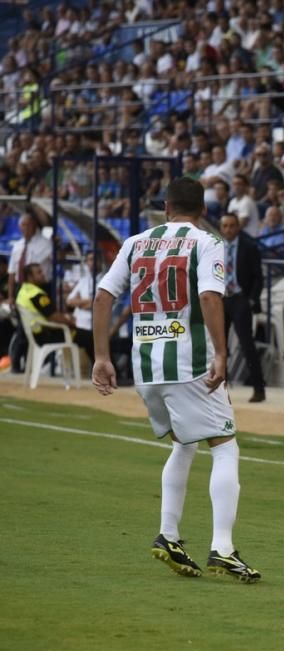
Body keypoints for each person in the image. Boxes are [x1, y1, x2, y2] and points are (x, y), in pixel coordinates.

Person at [91, 177, 260, 582]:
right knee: (225, 446)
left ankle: (169, 535)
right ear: (202, 210)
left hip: (147, 365)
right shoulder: (207, 242)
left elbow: (102, 297)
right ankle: (222, 547)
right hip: (189, 362)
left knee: (183, 443)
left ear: (166, 207)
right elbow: (209, 297)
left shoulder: (135, 243)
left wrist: (100, 357)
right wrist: (221, 352)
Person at [219, 213, 265, 403]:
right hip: (221, 299)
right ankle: (221, 388)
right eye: (225, 226)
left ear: (238, 227)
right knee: (218, 346)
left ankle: (259, 389)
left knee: (247, 345)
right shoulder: (216, 247)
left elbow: (258, 277)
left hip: (240, 298)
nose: (229, 229)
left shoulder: (249, 247)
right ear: (221, 228)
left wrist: (251, 299)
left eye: (232, 225)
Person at [15, 262, 75, 344]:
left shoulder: (23, 290)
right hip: (45, 334)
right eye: (39, 272)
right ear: (30, 277)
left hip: (32, 334)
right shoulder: (36, 294)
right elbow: (54, 317)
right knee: (87, 337)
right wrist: (70, 323)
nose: (43, 274)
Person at [6, 211, 52, 303]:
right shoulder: (17, 245)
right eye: (23, 225)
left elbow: (58, 259)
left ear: (34, 226)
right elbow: (12, 272)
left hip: (39, 287)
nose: (26, 227)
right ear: (20, 227)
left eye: (29, 225)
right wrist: (10, 296)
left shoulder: (46, 243)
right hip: (20, 286)